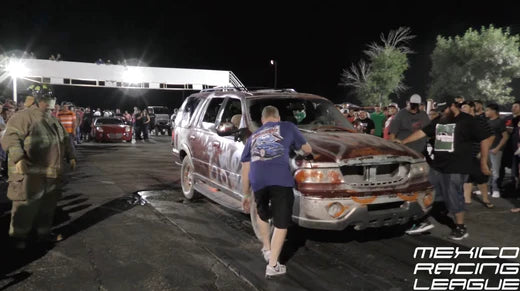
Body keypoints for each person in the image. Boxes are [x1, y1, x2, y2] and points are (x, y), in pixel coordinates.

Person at [398, 101, 492, 240]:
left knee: (454, 196)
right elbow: (422, 132)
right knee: (428, 193)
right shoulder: (440, 120)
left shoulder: (468, 120)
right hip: (438, 165)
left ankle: (460, 227)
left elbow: (485, 138)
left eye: (444, 109)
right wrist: (403, 142)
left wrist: (483, 161)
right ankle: (424, 220)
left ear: (453, 106)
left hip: (457, 166)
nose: (442, 112)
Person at [240, 105, 312, 277]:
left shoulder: (253, 137)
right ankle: (273, 266)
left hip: (258, 182)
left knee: (263, 214)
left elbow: (245, 168)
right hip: (280, 180)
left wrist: (245, 193)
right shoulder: (287, 126)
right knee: (281, 223)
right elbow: (307, 149)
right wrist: (302, 151)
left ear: (263, 120)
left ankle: (266, 248)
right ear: (278, 118)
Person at [1, 91, 76, 249]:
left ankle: (43, 235)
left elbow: (64, 139)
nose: (51, 103)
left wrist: (71, 156)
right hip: (29, 173)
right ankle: (18, 239)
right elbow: (11, 136)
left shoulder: (53, 119)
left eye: (52, 100)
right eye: (48, 100)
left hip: (51, 174)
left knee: (47, 208)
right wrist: (18, 158)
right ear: (37, 101)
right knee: (25, 207)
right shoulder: (24, 116)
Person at [460, 101, 494, 208]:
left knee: (481, 178)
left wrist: (483, 151)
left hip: (477, 153)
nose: (462, 109)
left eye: (465, 107)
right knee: (467, 177)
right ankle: (467, 200)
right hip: (465, 154)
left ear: (472, 108)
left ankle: (485, 199)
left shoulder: (480, 120)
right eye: (461, 108)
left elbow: (491, 136)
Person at [485, 103, 509, 198]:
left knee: (495, 171)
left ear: (493, 111)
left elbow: (505, 136)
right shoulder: (487, 122)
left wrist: (497, 148)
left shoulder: (500, 122)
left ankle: (495, 189)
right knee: (487, 170)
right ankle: (488, 189)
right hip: (487, 149)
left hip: (495, 150)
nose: (486, 112)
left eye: (487, 110)